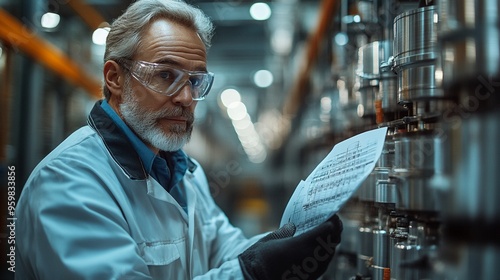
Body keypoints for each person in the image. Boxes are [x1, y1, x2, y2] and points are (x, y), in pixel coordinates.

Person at [15, 0, 343, 279]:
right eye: (165, 75)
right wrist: (250, 271)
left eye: (196, 80)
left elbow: (224, 248)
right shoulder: (68, 184)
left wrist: (288, 242)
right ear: (115, 78)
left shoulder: (186, 174)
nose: (186, 97)